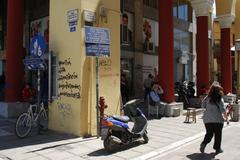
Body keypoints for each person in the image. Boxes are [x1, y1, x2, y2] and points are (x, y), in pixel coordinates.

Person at [200, 82, 229, 154]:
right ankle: (217, 148)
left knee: (209, 134)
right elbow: (223, 110)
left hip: (207, 119)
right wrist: (227, 119)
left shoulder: (207, 97)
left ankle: (204, 143)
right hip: (217, 119)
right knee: (218, 135)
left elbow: (202, 106)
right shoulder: (220, 98)